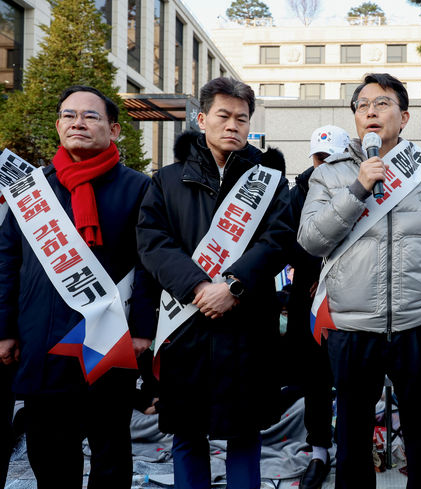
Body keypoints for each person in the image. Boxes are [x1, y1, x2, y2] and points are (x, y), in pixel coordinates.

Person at [298, 73, 421, 489]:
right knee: (353, 435)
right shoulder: (330, 174)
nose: (371, 111)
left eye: (383, 103)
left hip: (419, 322)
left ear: (404, 116)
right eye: (362, 105)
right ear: (355, 118)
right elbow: (311, 239)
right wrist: (358, 188)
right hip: (352, 327)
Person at [136, 77, 295, 489]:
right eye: (223, 116)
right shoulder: (167, 180)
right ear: (202, 118)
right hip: (185, 325)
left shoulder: (269, 181)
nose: (233, 125)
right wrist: (198, 287)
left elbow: (278, 240)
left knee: (245, 435)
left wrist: (234, 286)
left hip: (248, 327)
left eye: (242, 118)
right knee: (187, 435)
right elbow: (152, 242)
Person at [0, 85, 158, 488]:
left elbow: (148, 264)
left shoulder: (139, 187)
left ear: (115, 130)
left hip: (109, 342)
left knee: (111, 452)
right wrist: (4, 331)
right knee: (48, 452)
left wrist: (141, 330)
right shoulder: (31, 190)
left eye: (91, 116)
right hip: (41, 339)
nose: (78, 123)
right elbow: (6, 260)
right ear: (58, 126)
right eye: (69, 115)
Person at [285, 124, 350, 489]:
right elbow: (289, 237)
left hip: (352, 296)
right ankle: (319, 450)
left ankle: (352, 447)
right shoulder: (298, 191)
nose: (324, 163)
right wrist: (311, 271)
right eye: (319, 157)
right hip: (309, 299)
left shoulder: (364, 186)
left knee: (355, 378)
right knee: (315, 377)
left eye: (332, 157)